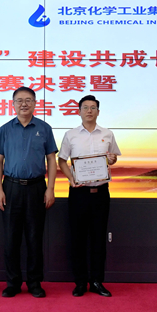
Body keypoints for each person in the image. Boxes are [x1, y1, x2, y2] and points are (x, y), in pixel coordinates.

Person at [0, 87, 57, 298]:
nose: (24, 104)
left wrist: (50, 189)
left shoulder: (44, 128)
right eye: (19, 100)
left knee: (34, 238)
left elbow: (51, 160)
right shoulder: (5, 129)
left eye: (28, 100)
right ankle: (13, 283)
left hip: (37, 188)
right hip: (11, 188)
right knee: (11, 239)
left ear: (35, 103)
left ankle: (34, 282)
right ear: (13, 104)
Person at [57, 95, 121, 297]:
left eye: (93, 107)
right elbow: (61, 161)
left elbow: (113, 158)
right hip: (79, 193)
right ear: (79, 111)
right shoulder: (71, 135)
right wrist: (71, 179)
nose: (89, 111)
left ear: (98, 112)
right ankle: (80, 282)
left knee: (98, 238)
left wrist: (112, 159)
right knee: (77, 238)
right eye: (85, 107)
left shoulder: (107, 134)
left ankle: (96, 281)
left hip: (101, 193)